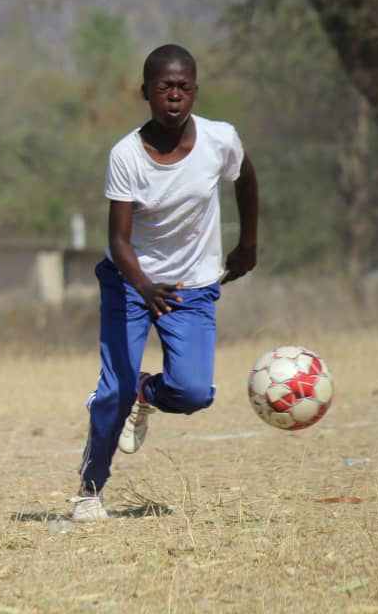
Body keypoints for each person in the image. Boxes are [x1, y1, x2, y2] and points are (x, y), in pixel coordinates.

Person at [73, 44, 259, 522]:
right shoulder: (127, 156)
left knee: (195, 392)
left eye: (184, 87)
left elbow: (245, 179)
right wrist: (144, 286)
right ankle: (90, 489)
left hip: (192, 286)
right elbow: (118, 240)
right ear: (146, 92)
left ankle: (144, 393)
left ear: (195, 90)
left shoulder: (221, 140)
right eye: (164, 88)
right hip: (129, 280)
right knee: (111, 391)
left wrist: (248, 244)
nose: (174, 96)